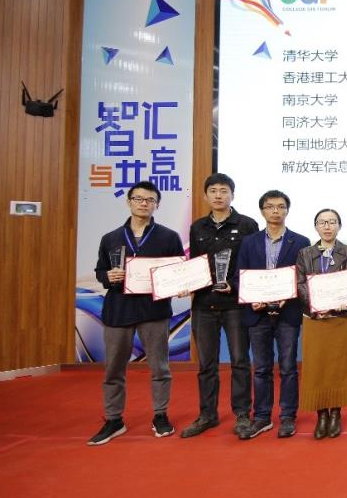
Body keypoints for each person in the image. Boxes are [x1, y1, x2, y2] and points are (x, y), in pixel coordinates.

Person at [88, 180, 184, 445]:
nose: (144, 204)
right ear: (129, 202)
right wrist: (107, 276)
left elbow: (178, 270)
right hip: (119, 310)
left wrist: (180, 284)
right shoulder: (111, 238)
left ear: (157, 205)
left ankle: (160, 415)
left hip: (154, 310)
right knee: (113, 369)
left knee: (160, 367)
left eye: (150, 200)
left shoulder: (168, 237)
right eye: (139, 199)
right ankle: (113, 419)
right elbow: (100, 270)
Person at [181, 173, 259, 439]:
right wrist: (186, 282)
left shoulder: (247, 225)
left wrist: (234, 286)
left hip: (235, 305)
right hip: (204, 304)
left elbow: (252, 264)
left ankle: (242, 414)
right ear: (205, 196)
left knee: (240, 361)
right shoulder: (197, 227)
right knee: (206, 364)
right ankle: (207, 415)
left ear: (232, 195)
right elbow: (194, 264)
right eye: (213, 191)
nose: (218, 195)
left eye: (223, 191)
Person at [237, 190, 310, 440]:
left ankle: (288, 416)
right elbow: (239, 275)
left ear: (287, 210)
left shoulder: (300, 241)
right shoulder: (249, 242)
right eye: (270, 207)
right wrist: (252, 298)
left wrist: (288, 296)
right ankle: (262, 417)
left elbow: (303, 278)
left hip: (288, 312)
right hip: (257, 313)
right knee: (261, 369)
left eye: (280, 206)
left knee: (288, 367)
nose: (275, 211)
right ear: (262, 211)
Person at [296, 208, 347, 439]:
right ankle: (321, 414)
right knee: (316, 367)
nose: (327, 226)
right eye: (322, 222)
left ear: (339, 226)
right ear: (316, 226)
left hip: (340, 320)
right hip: (315, 320)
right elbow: (300, 284)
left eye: (332, 222)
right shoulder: (305, 253)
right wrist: (317, 306)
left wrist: (345, 302)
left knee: (338, 367)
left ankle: (335, 413)